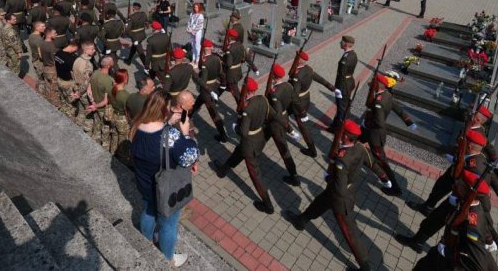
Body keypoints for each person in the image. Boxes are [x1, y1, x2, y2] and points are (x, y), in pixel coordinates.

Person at [284, 121, 372, 271]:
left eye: (341, 133)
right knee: (319, 203)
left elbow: (339, 186)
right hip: (339, 190)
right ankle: (301, 220)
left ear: (345, 136)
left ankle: (365, 267)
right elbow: (371, 162)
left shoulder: (342, 159)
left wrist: (329, 177)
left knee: (349, 233)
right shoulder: (359, 147)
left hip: (340, 197)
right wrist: (384, 177)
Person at [130, 91, 199, 267]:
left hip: (145, 184)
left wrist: (167, 123)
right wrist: (184, 133)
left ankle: (145, 240)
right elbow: (190, 156)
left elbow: (155, 139)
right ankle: (167, 258)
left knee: (149, 210)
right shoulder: (170, 137)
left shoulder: (137, 125)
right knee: (169, 224)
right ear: (163, 109)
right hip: (165, 190)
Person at [212, 77, 275, 214]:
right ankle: (223, 170)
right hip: (258, 138)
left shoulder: (248, 108)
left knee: (255, 174)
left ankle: (268, 205)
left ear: (246, 92)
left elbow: (243, 132)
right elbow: (273, 115)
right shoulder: (263, 100)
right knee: (237, 153)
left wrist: (236, 127)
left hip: (249, 143)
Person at [313, 36, 358, 131]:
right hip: (349, 83)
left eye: (341, 42)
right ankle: (335, 125)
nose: (340, 43)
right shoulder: (353, 54)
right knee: (344, 106)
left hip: (343, 86)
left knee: (342, 109)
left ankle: (340, 129)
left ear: (345, 45)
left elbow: (341, 76)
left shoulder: (345, 60)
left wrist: (338, 89)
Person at [86, 56, 115, 145]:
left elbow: (89, 89)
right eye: (112, 61)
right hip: (103, 109)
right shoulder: (109, 80)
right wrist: (96, 106)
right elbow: (106, 101)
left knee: (97, 125)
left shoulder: (95, 73)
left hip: (95, 105)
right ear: (109, 66)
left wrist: (93, 102)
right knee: (104, 129)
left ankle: (93, 140)